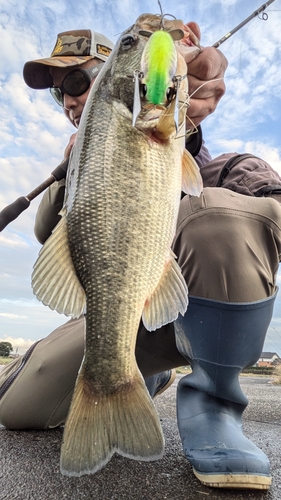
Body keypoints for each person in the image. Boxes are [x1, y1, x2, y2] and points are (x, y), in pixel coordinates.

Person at [1, 23, 281, 491]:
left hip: (185, 316)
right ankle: (139, 376)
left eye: (76, 82)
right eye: (58, 94)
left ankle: (215, 406)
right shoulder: (82, 167)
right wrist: (71, 172)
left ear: (130, 72)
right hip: (113, 319)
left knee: (218, 216)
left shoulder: (190, 143)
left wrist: (184, 122)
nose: (69, 100)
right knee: (14, 409)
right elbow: (47, 234)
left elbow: (210, 173)